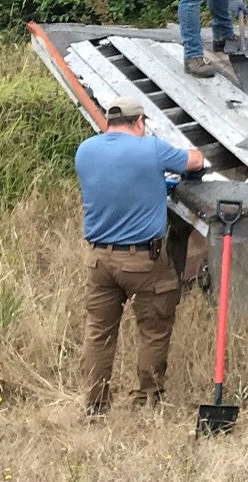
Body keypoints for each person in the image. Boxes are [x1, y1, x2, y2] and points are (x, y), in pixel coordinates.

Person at [75, 95, 206, 417]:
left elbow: (119, 181)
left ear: (109, 122)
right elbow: (195, 161)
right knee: (154, 328)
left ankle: (95, 404)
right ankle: (146, 402)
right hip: (143, 260)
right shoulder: (151, 149)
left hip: (98, 259)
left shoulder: (86, 150)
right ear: (139, 122)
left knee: (99, 333)